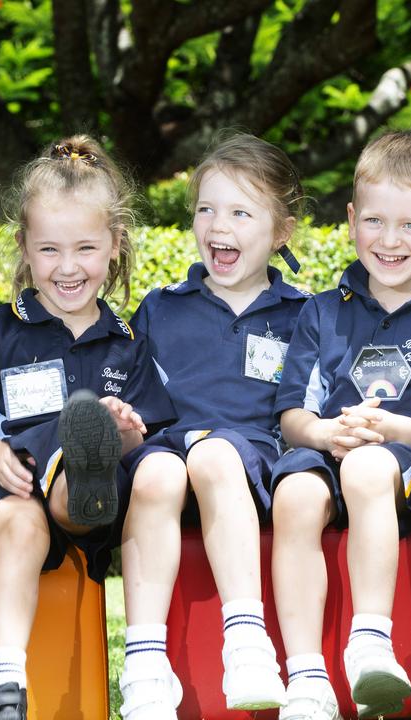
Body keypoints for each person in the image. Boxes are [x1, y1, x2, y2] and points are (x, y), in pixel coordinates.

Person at [0, 136, 175, 720]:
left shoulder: (129, 344)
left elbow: (147, 441)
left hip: (93, 505)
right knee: (25, 526)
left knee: (100, 467)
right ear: (24, 247)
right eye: (49, 249)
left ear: (113, 247)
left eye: (85, 249)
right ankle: (4, 687)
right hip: (11, 484)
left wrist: (124, 433)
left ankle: (85, 464)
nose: (68, 267)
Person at [270, 130, 411, 720]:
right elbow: (293, 416)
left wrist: (390, 429)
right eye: (374, 221)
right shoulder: (321, 311)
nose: (389, 241)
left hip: (403, 471)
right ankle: (306, 677)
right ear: (350, 219)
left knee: (366, 466)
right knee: (291, 495)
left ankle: (369, 643)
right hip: (326, 451)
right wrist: (324, 435)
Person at [117, 133, 309, 720]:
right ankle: (145, 665)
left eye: (241, 212)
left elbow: (305, 411)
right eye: (206, 208)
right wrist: (125, 428)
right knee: (155, 472)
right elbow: (140, 407)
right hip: (169, 460)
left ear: (281, 232)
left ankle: (246, 641)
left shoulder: (304, 312)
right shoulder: (160, 306)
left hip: (249, 462)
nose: (218, 225)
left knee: (216, 455)